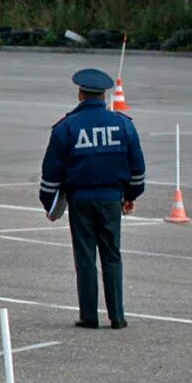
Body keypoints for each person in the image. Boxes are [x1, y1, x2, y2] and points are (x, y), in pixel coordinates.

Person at [39, 68, 146, 330]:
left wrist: (50, 204)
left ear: (80, 94)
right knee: (112, 255)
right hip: (112, 199)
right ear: (104, 95)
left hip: (80, 200)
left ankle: (89, 316)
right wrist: (130, 196)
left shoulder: (66, 127)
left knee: (85, 257)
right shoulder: (123, 124)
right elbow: (137, 169)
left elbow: (51, 172)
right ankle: (117, 316)